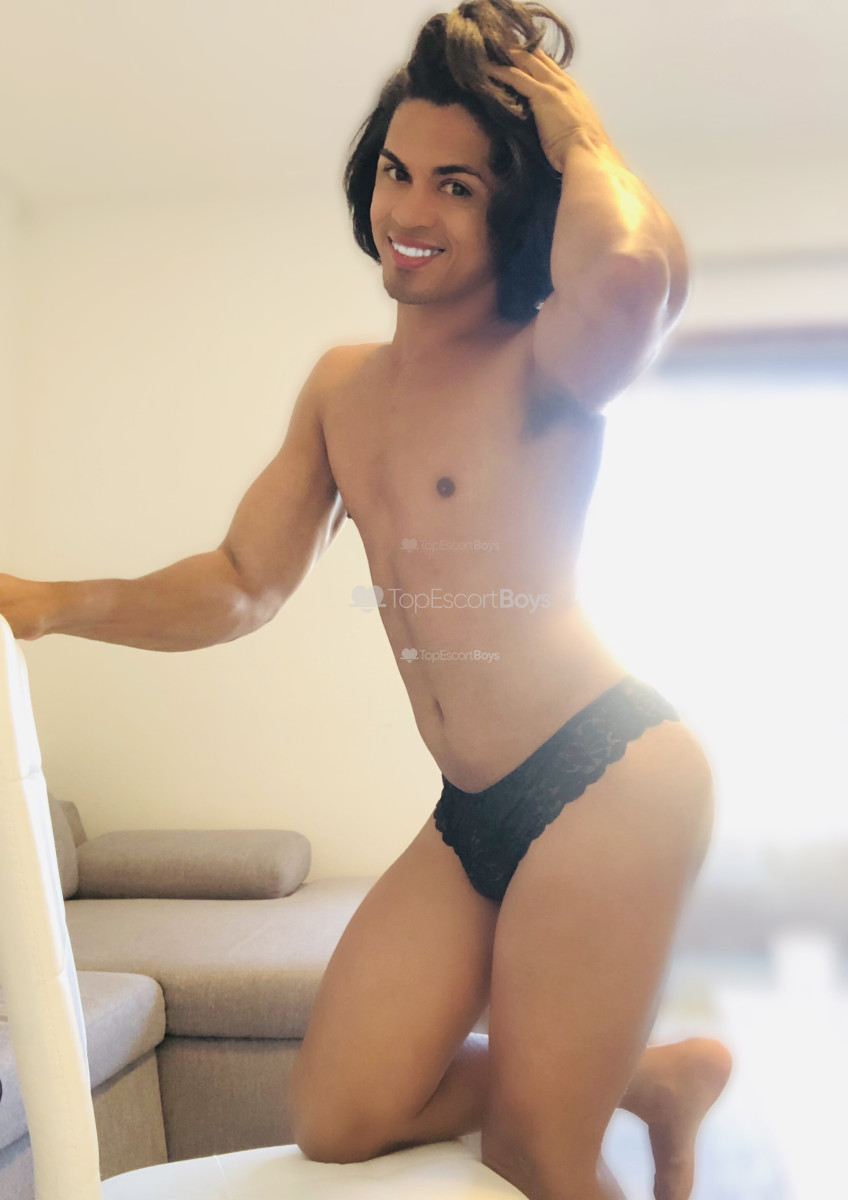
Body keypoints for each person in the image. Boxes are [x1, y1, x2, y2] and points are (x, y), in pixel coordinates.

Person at [0, 2, 733, 1197]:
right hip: (470, 808)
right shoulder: (341, 389)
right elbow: (242, 585)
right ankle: (643, 1077)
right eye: (397, 172)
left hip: (605, 776)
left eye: (455, 185)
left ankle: (588, 1095)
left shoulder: (546, 357)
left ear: (514, 208)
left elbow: (633, 273)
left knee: (537, 1159)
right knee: (340, 1115)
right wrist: (39, 601)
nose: (409, 210)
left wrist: (574, 131)